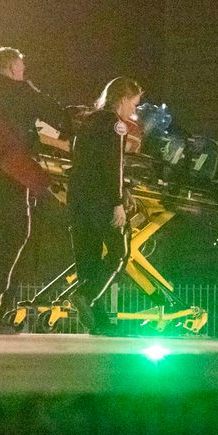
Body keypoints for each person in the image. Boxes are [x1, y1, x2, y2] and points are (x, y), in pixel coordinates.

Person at [0, 48, 67, 334]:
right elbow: (57, 115)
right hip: (12, 170)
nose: (23, 71)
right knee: (13, 237)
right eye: (22, 66)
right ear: (12, 66)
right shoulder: (20, 91)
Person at [67, 77, 142, 336]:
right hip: (101, 199)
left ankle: (98, 321)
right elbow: (114, 165)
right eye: (133, 104)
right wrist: (117, 202)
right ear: (123, 99)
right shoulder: (116, 125)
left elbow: (87, 161)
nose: (133, 110)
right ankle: (87, 295)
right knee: (120, 253)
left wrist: (124, 188)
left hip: (78, 198)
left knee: (87, 259)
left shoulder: (87, 121)